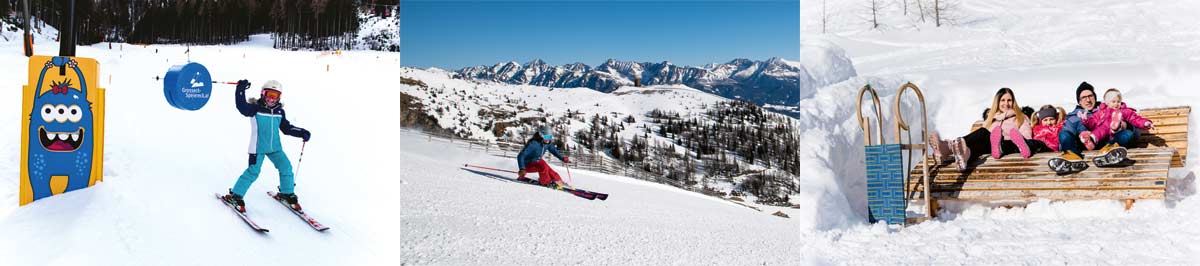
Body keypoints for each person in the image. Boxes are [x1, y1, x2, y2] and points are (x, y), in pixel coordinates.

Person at [222, 80, 312, 212]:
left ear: (279, 97)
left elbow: (286, 128)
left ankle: (287, 193)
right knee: (253, 171)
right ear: (263, 94)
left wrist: (301, 132)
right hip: (257, 148)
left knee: (286, 167)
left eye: (275, 95)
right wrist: (240, 90)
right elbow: (242, 107)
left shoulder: (279, 111)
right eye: (269, 94)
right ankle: (235, 196)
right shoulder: (255, 108)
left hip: (275, 148)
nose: (271, 98)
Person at [929, 88, 1051, 172]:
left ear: (1014, 102)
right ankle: (961, 155)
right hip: (989, 148)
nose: (1006, 103)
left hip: (1008, 145)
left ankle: (947, 147)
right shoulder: (992, 119)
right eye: (1003, 100)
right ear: (997, 102)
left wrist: (1015, 139)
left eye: (1009, 100)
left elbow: (1027, 137)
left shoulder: (1021, 117)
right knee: (983, 136)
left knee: (984, 133)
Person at [1082, 88, 1154, 166]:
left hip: (1117, 137)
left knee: (1128, 134)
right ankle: (1092, 140)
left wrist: (1146, 123)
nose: (1116, 104)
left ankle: (1117, 127)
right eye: (1113, 102)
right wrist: (1086, 120)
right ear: (1107, 103)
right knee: (1100, 130)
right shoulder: (1101, 112)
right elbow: (1093, 122)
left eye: (1118, 101)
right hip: (1105, 138)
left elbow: (1135, 119)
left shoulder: (1124, 111)